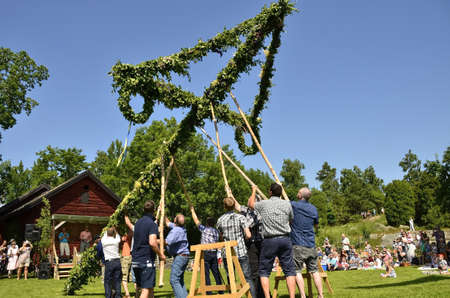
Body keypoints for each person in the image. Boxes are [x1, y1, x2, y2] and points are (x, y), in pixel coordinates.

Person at [249, 183, 296, 298]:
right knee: (289, 270)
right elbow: (291, 220)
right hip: (285, 238)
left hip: (269, 240)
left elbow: (250, 204)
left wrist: (254, 190)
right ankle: (292, 296)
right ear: (281, 193)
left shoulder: (264, 204)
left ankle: (267, 297)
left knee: (264, 271)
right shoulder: (287, 204)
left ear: (270, 192)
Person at [217, 196, 255, 298]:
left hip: (227, 253)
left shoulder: (220, 220)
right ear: (234, 205)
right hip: (241, 251)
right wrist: (243, 239)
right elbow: (249, 235)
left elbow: (220, 237)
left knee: (231, 278)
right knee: (247, 278)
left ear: (224, 207)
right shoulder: (241, 217)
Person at [290, 187, 323, 298]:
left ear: (301, 195)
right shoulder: (313, 208)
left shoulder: (294, 205)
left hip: (298, 244)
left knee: (297, 271)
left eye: (298, 192)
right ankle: (320, 295)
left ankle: (303, 296)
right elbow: (316, 224)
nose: (297, 193)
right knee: (315, 271)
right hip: (311, 244)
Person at [132, 200, 166, 298]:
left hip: (136, 260)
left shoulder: (138, 223)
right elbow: (152, 243)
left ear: (143, 210)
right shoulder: (152, 224)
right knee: (145, 290)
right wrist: (161, 255)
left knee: (149, 288)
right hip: (145, 261)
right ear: (153, 210)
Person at [234, 191, 264, 298]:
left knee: (258, 270)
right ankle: (256, 294)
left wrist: (241, 221)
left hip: (258, 244)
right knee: (253, 270)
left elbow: (249, 223)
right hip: (250, 245)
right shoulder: (247, 210)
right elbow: (236, 206)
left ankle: (260, 294)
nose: (248, 201)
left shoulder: (259, 213)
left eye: (250, 200)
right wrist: (230, 194)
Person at [190, 205, 223, 295]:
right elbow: (221, 238)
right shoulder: (217, 231)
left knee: (206, 273)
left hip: (206, 253)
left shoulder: (204, 229)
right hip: (214, 253)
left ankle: (208, 292)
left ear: (207, 223)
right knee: (216, 272)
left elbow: (196, 221)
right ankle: (221, 290)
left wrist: (192, 211)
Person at [165, 214, 190, 298]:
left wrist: (153, 240)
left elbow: (167, 242)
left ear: (175, 221)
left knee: (174, 280)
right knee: (180, 281)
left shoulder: (176, 231)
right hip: (184, 256)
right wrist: (163, 213)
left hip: (180, 257)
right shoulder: (179, 228)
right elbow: (168, 223)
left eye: (175, 217)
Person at [102, 227, 122, 298]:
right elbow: (118, 236)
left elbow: (104, 235)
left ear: (107, 234)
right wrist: (115, 230)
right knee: (117, 280)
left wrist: (107, 229)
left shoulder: (104, 241)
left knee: (107, 281)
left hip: (109, 262)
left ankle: (108, 296)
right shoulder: (116, 240)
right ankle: (118, 296)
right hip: (117, 261)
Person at [122, 215, 135, 298]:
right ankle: (138, 292)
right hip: (132, 256)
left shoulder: (128, 236)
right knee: (133, 276)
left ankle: (127, 294)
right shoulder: (135, 235)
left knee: (124, 276)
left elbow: (122, 239)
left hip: (126, 256)